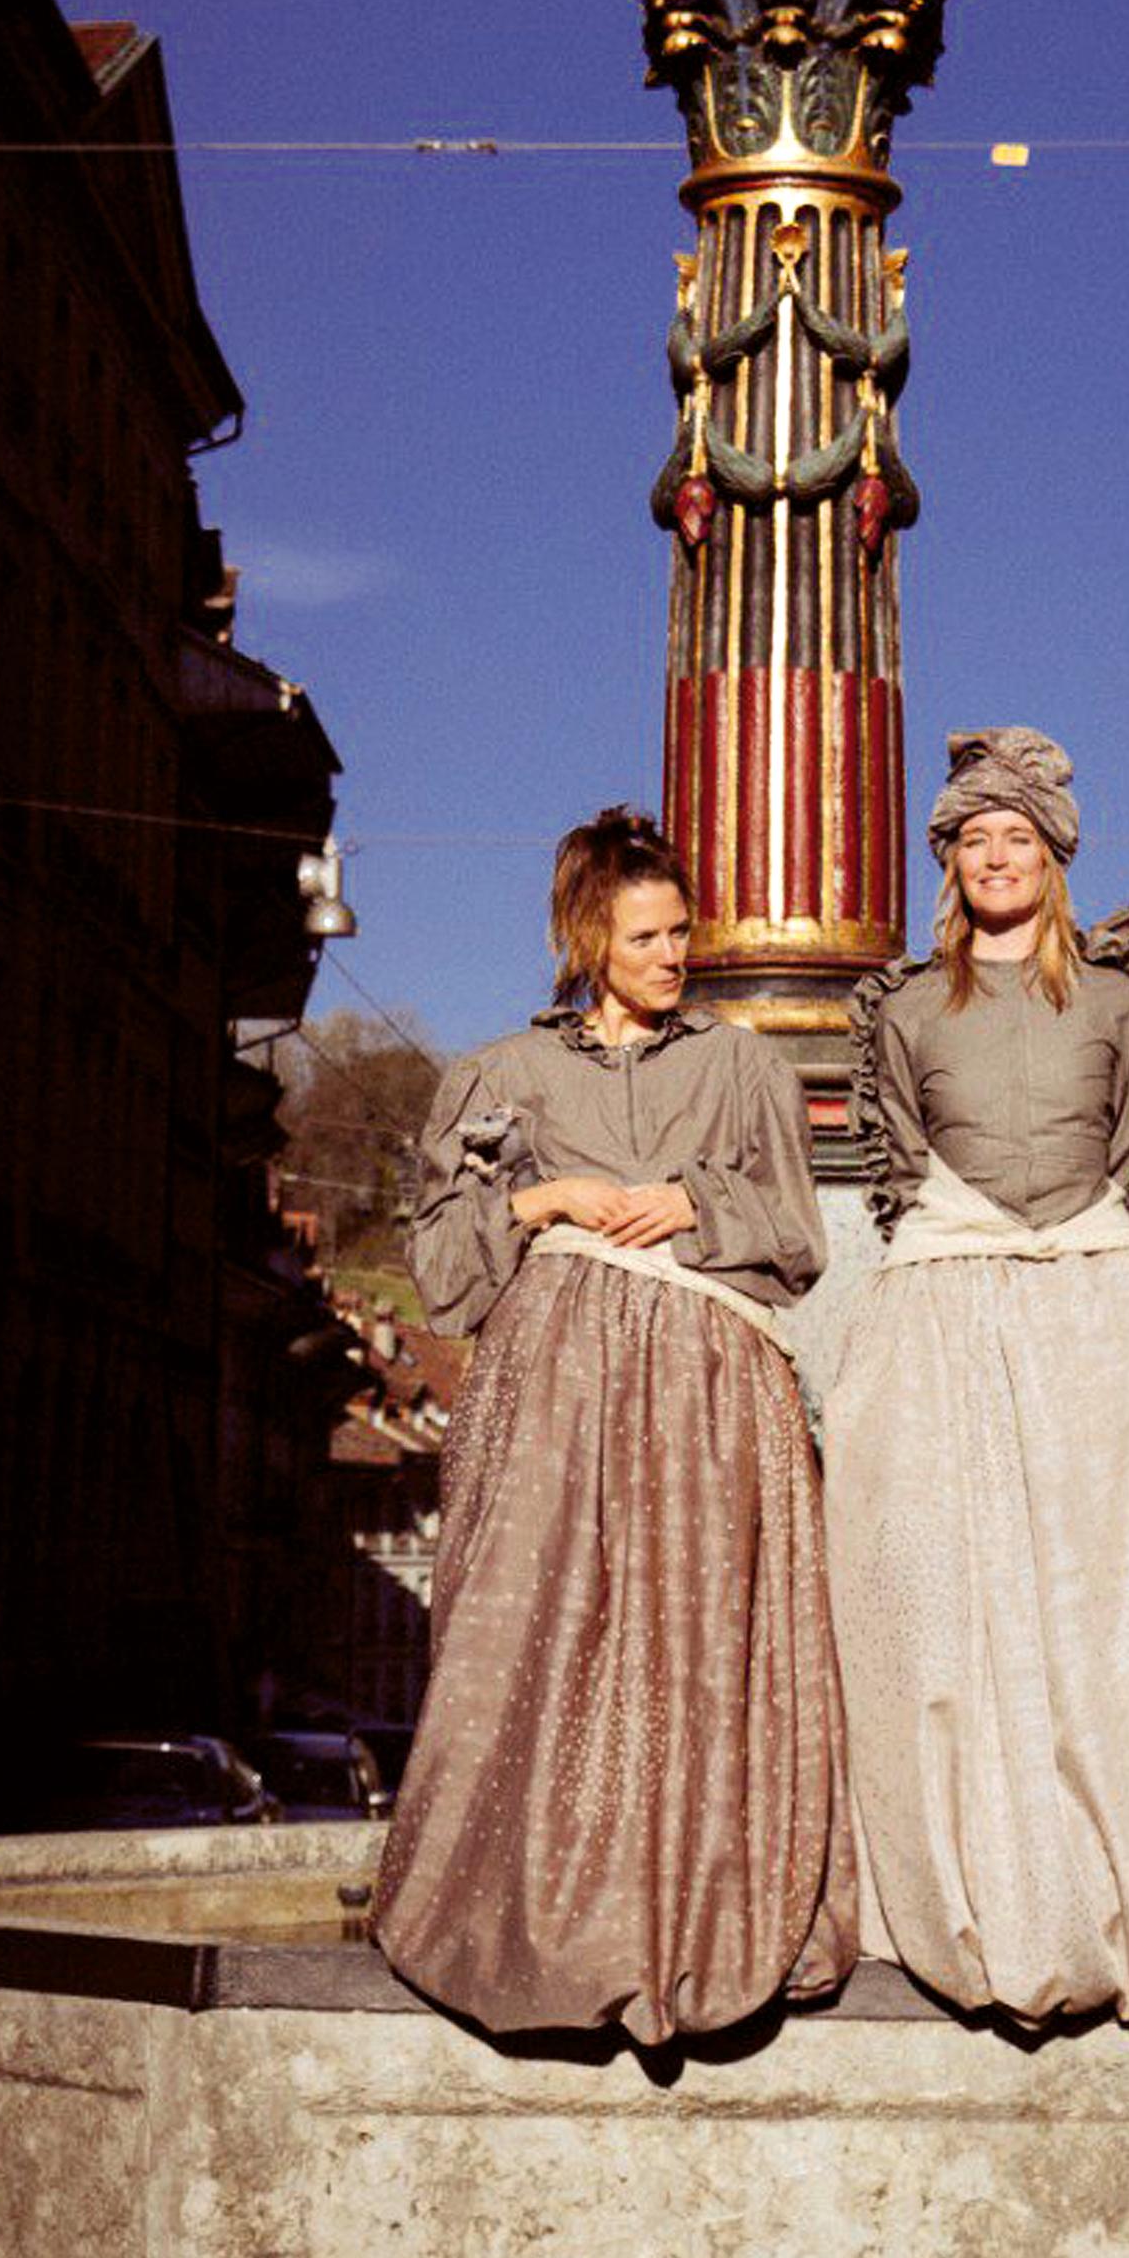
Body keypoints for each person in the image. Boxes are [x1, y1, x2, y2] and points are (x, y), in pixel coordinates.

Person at [821, 727, 1129, 2022]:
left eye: (1016, 840)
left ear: (1052, 858)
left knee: (1117, 1599)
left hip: (1097, 1308)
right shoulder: (904, 1009)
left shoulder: (1118, 1003)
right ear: (951, 859)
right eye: (976, 840)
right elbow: (902, 1162)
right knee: (950, 1595)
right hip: (952, 1301)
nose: (996, 858)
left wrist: (1066, 1246)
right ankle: (976, 1892)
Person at [372, 807, 857, 2043]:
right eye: (643, 935)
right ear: (588, 938)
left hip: (706, 1398)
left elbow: (798, 1243)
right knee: (534, 1631)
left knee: (691, 1646)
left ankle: (689, 1924)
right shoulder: (502, 1077)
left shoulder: (741, 1068)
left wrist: (685, 1198)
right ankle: (525, 1919)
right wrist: (547, 1197)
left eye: (680, 930)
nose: (670, 954)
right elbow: (443, 1273)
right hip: (552, 1398)